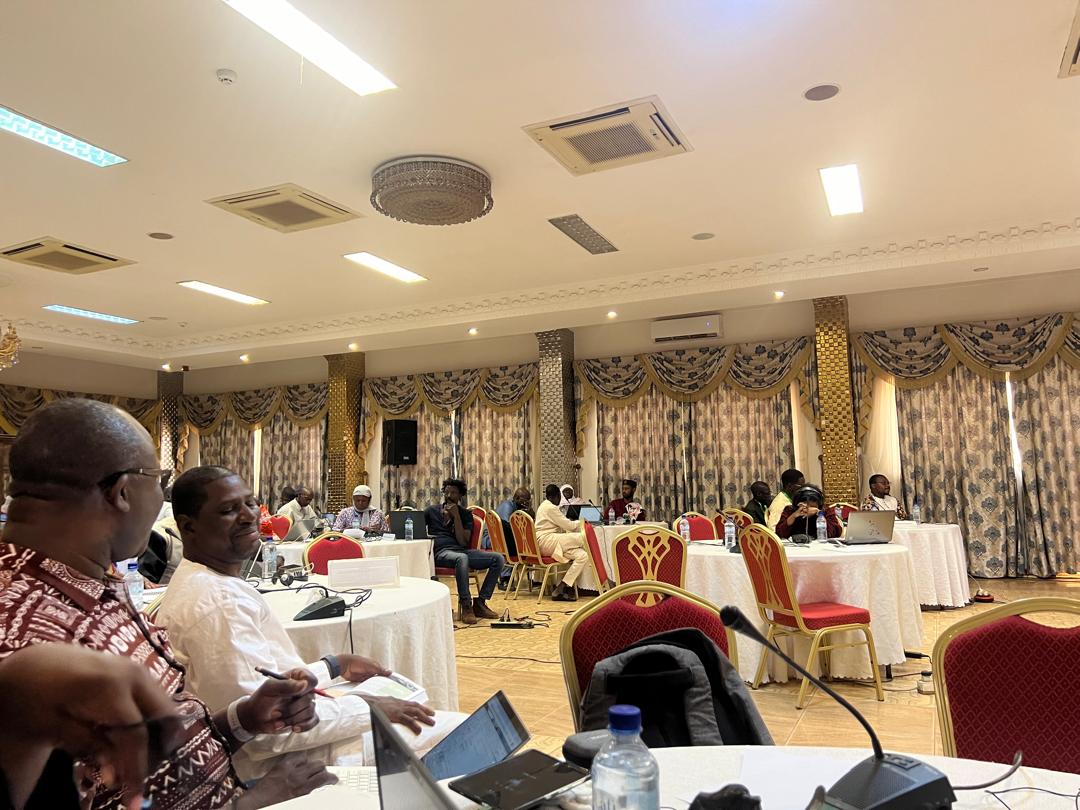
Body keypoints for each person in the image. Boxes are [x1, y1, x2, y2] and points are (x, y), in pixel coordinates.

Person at [0, 398, 333, 809]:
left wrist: (243, 719)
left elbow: (142, 760)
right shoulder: (24, 633)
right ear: (123, 493)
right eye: (159, 481)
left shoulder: (82, 580)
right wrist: (252, 801)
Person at [157, 466, 461, 780]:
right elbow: (266, 732)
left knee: (416, 710)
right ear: (189, 527)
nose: (248, 516)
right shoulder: (216, 604)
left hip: (298, 735)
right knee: (459, 733)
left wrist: (333, 666)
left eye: (250, 503)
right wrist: (369, 709)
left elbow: (269, 683)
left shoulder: (209, 582)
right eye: (228, 510)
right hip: (281, 766)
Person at [426, 478, 503, 625]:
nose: (449, 496)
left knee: (498, 559)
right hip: (441, 552)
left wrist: (456, 517)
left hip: (462, 551)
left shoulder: (466, 515)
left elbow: (462, 542)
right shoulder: (431, 511)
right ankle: (466, 605)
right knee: (462, 558)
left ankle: (480, 602)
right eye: (446, 492)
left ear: (460, 495)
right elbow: (415, 528)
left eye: (453, 493)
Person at [534, 484, 590, 602]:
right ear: (555, 496)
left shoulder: (544, 505)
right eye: (559, 496)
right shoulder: (550, 507)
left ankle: (561, 588)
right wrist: (583, 521)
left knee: (583, 556)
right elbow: (569, 526)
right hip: (546, 541)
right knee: (583, 537)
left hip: (549, 542)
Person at [775, 485, 843, 540]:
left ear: (819, 505)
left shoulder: (826, 511)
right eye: (805, 506)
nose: (809, 510)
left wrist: (819, 514)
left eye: (812, 507)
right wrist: (793, 516)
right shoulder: (790, 510)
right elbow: (779, 534)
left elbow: (836, 533)